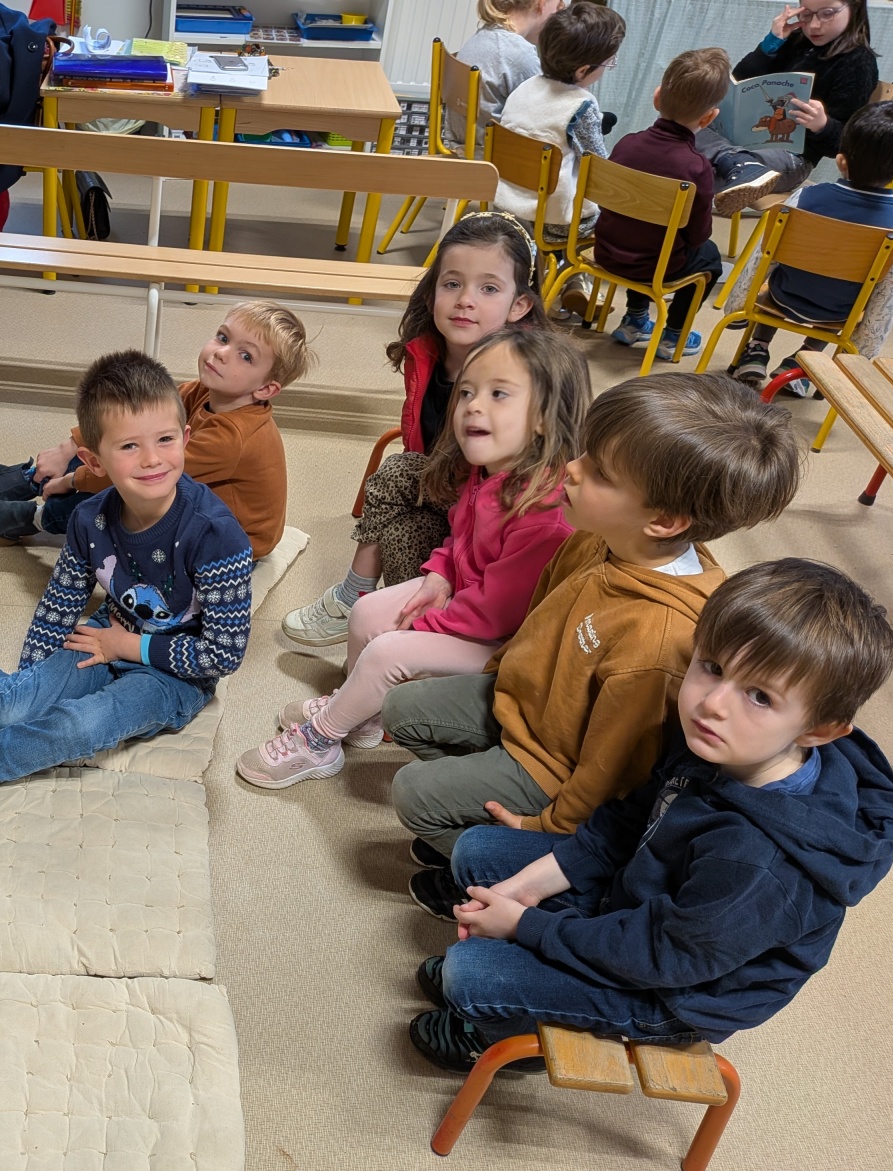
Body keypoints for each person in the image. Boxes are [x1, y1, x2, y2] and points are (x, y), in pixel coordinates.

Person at [407, 559, 893, 1072]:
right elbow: (632, 819)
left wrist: (526, 927)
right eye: (712, 667)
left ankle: (498, 1032)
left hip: (672, 990)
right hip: (644, 902)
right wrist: (530, 887)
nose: (712, 703)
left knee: (471, 974)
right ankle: (522, 977)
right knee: (478, 850)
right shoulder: (722, 741)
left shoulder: (760, 864)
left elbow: (660, 956)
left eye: (759, 696)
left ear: (818, 730)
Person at [387, 373, 804, 913]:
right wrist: (499, 672)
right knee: (401, 708)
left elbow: (611, 772)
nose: (571, 468)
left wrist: (544, 828)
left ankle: (493, 867)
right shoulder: (594, 536)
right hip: (524, 703)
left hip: (554, 768)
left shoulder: (658, 642)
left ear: (664, 521)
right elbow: (538, 620)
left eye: (601, 472)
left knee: (412, 794)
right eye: (585, 451)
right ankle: (477, 831)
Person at [0, 351, 253, 800]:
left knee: (81, 727)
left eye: (165, 439)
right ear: (94, 461)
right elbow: (59, 605)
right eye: (129, 446)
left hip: (174, 676)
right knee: (10, 709)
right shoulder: (89, 520)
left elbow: (224, 655)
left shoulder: (218, 537)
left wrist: (128, 646)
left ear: (185, 439)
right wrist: (30, 690)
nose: (152, 459)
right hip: (106, 634)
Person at [237, 327, 586, 789]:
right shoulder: (490, 470)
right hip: (470, 606)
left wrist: (424, 625)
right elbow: (460, 537)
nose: (473, 406)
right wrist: (440, 574)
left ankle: (320, 739)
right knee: (365, 611)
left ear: (544, 417)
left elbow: (496, 615)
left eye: (499, 394)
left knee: (388, 651)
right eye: (467, 392)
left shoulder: (546, 514)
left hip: (507, 643)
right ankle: (361, 713)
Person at [282, 213, 552, 647]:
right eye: (452, 283)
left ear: (519, 305)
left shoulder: (527, 373)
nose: (465, 300)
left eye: (489, 288)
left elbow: (517, 489)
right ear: (431, 293)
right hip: (451, 502)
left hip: (495, 522)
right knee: (399, 526)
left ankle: (367, 605)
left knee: (398, 475)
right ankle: (390, 619)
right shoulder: (425, 350)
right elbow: (421, 441)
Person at [0, 300, 310, 560]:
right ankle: (20, 482)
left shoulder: (232, 439)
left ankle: (27, 520)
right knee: (115, 446)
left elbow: (139, 471)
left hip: (231, 539)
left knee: (117, 487)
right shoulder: (206, 390)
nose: (221, 353)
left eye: (245, 356)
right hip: (198, 494)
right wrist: (69, 447)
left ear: (266, 389)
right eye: (222, 337)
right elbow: (133, 417)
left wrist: (71, 481)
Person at [728, 100, 893, 396]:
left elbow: (764, 256)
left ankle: (757, 349)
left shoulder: (805, 197)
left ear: (841, 161)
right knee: (854, 292)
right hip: (838, 312)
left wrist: (737, 303)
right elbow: (889, 291)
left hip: (784, 295)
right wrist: (865, 347)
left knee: (780, 274)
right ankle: (803, 363)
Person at [494, 0, 627, 317]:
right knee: (611, 218)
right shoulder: (582, 105)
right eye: (607, 63)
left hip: (508, 204)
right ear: (583, 70)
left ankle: (568, 282)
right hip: (551, 222)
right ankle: (572, 280)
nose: (607, 68)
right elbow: (598, 166)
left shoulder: (524, 87)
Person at [603, 48, 730, 364]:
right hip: (656, 266)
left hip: (607, 251)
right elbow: (698, 235)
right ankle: (674, 335)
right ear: (709, 118)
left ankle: (634, 319)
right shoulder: (696, 167)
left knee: (641, 233)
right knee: (709, 258)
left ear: (657, 97)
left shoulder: (626, 143)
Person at [705, 0, 880, 218]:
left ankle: (724, 169)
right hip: (744, 141)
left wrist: (823, 126)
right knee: (690, 126)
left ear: (855, 7)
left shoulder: (858, 63)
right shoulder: (795, 40)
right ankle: (730, 163)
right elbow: (740, 81)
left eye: (827, 14)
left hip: (792, 158)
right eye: (805, 14)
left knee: (697, 161)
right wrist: (771, 43)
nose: (814, 25)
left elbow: (845, 144)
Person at [446, 0, 569, 151]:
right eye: (557, 7)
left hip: (464, 148)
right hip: (495, 155)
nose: (557, 15)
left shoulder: (480, 38)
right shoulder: (519, 52)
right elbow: (548, 115)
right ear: (541, 3)